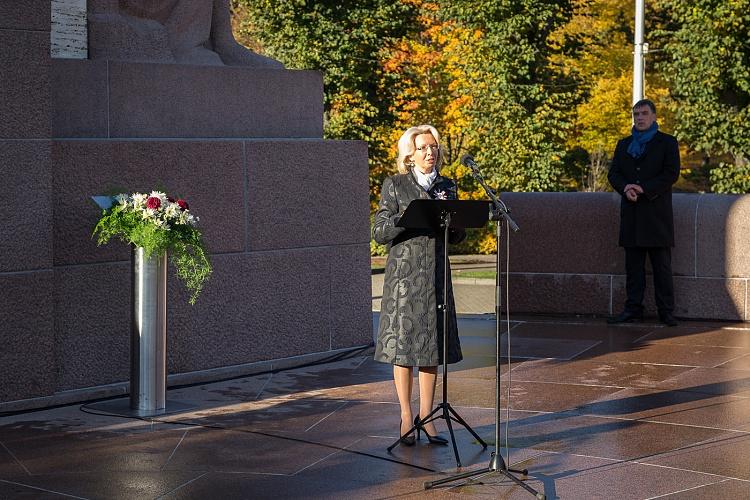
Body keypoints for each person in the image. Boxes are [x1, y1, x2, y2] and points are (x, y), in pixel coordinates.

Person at [372, 124, 465, 446]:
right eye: (424, 147)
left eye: (434, 147)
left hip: (437, 275)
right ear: (410, 154)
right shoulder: (395, 185)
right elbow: (380, 231)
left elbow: (457, 235)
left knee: (431, 348)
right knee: (404, 349)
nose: (430, 152)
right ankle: (405, 416)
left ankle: (427, 418)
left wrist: (456, 225)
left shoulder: (447, 185)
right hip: (405, 278)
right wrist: (406, 217)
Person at [607, 99, 680, 327]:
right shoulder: (624, 144)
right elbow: (614, 174)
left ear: (654, 116)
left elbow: (671, 174)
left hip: (656, 216)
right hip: (632, 216)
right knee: (633, 269)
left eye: (644, 113)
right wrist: (626, 187)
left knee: (662, 268)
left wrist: (644, 188)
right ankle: (633, 309)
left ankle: (666, 312)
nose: (639, 118)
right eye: (636, 114)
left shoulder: (667, 143)